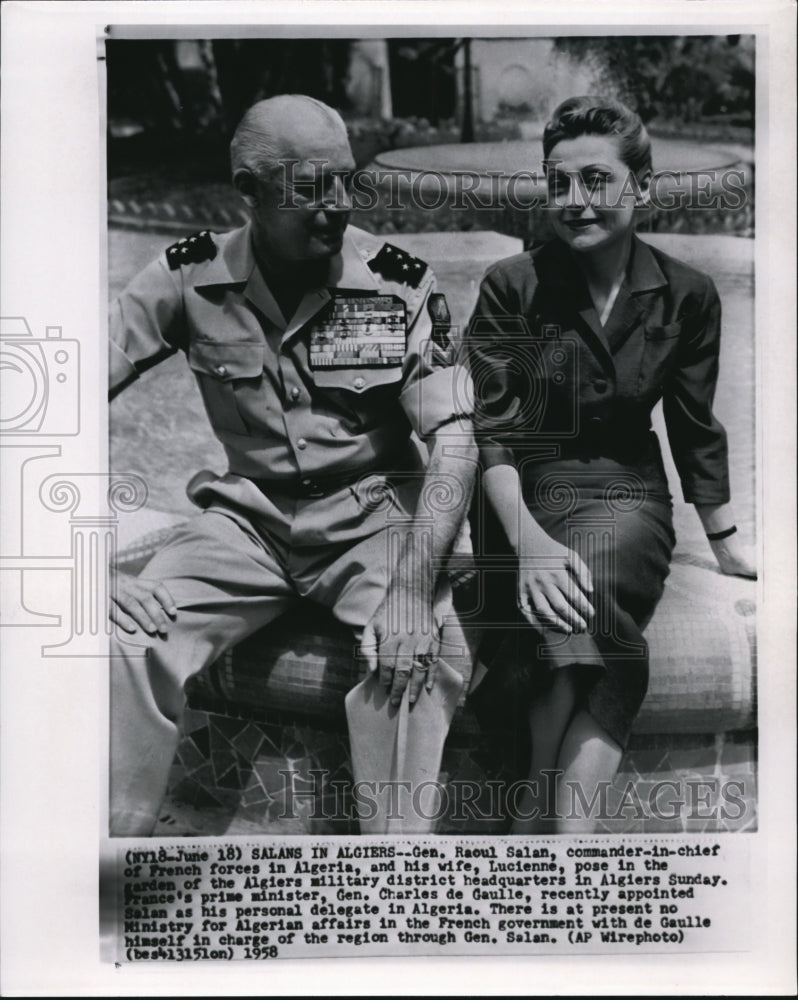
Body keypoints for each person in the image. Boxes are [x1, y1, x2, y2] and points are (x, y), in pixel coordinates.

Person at [108, 95, 476, 837]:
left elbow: (457, 439)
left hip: (376, 515)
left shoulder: (398, 281)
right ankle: (110, 884)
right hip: (251, 523)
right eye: (310, 187)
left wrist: (411, 588)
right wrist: (86, 567)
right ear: (248, 189)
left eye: (345, 180)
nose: (336, 205)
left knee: (417, 656)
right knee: (125, 640)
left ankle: (394, 890)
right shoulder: (186, 276)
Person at [466, 95, 755, 834]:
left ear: (641, 188)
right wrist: (526, 545)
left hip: (629, 492)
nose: (574, 201)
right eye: (558, 182)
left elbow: (693, 426)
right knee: (569, 589)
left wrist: (723, 540)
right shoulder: (515, 286)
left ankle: (540, 805)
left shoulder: (686, 296)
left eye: (596, 180)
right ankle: (568, 833)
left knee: (594, 571)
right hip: (522, 495)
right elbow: (497, 436)